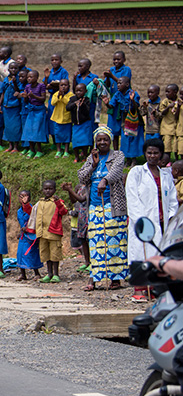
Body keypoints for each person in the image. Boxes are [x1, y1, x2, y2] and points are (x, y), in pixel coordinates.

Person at [126, 138, 178, 302]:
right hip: (143, 222)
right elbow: (133, 199)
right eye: (149, 152)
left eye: (156, 153)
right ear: (145, 153)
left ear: (161, 155)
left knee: (159, 254)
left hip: (163, 222)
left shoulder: (166, 174)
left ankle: (156, 289)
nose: (152, 156)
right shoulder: (137, 173)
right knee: (141, 252)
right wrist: (142, 221)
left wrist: (170, 217)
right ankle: (140, 289)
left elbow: (172, 200)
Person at [78, 125, 128, 291]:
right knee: (96, 242)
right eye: (99, 140)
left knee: (113, 242)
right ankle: (95, 278)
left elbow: (115, 173)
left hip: (113, 207)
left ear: (110, 141)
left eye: (105, 139)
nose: (102, 142)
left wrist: (104, 180)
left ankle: (115, 279)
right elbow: (82, 177)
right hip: (94, 206)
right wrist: (93, 164)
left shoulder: (118, 156)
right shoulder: (91, 158)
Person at [15, 190, 42, 280]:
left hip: (31, 235)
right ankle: (23, 274)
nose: (23, 198)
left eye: (26, 196)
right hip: (23, 235)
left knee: (32, 253)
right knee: (20, 253)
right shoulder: (19, 211)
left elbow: (34, 219)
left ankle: (36, 273)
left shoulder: (32, 209)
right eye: (21, 196)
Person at [21, 70, 48, 158]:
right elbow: (27, 100)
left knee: (37, 130)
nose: (29, 79)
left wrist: (34, 96)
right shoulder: (27, 87)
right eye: (28, 77)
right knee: (28, 129)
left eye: (31, 77)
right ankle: (32, 150)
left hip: (39, 110)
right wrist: (25, 97)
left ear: (36, 78)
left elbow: (43, 98)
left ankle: (39, 150)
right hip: (31, 110)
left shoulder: (41, 86)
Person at [159, 84, 179, 159]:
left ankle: (177, 160)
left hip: (176, 127)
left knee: (176, 145)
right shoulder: (165, 102)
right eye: (166, 92)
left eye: (168, 92)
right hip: (166, 127)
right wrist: (168, 107)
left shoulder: (179, 101)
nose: (166, 93)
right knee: (167, 145)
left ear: (175, 92)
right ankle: (167, 160)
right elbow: (162, 113)